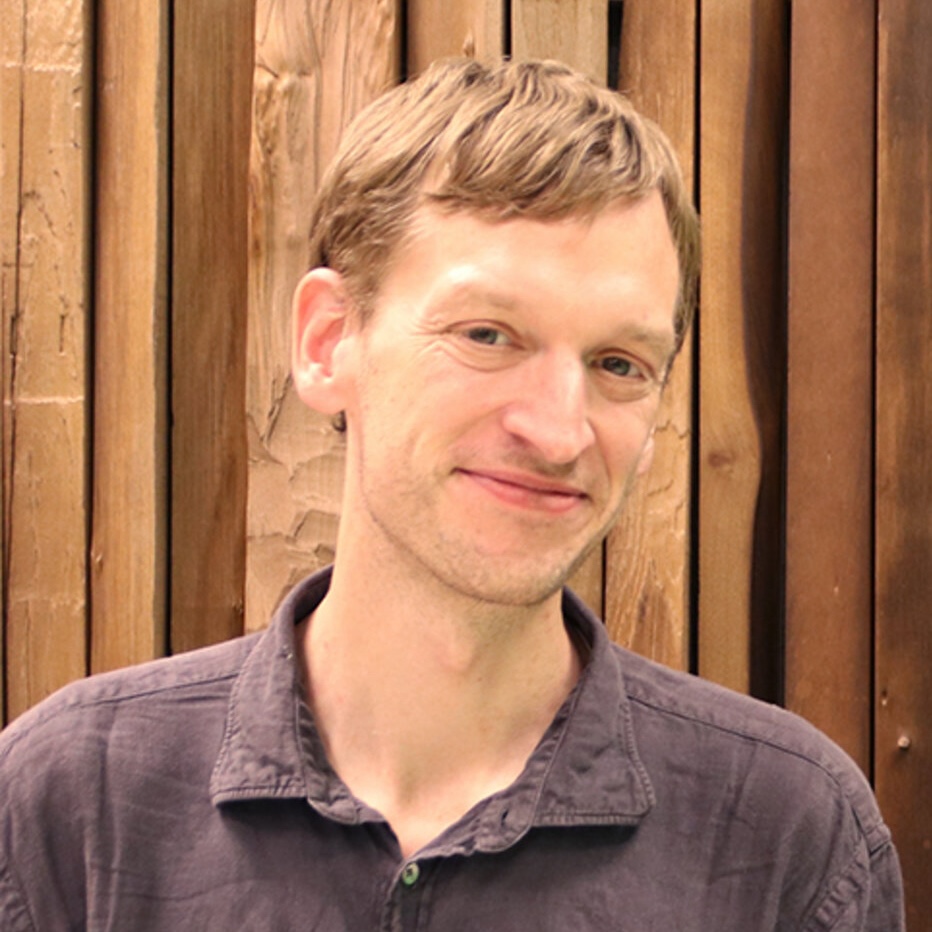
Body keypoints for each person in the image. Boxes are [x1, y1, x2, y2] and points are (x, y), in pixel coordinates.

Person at [0, 58, 902, 931]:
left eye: (619, 364)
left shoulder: (788, 840)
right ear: (327, 341)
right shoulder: (69, 811)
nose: (559, 431)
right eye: (487, 335)